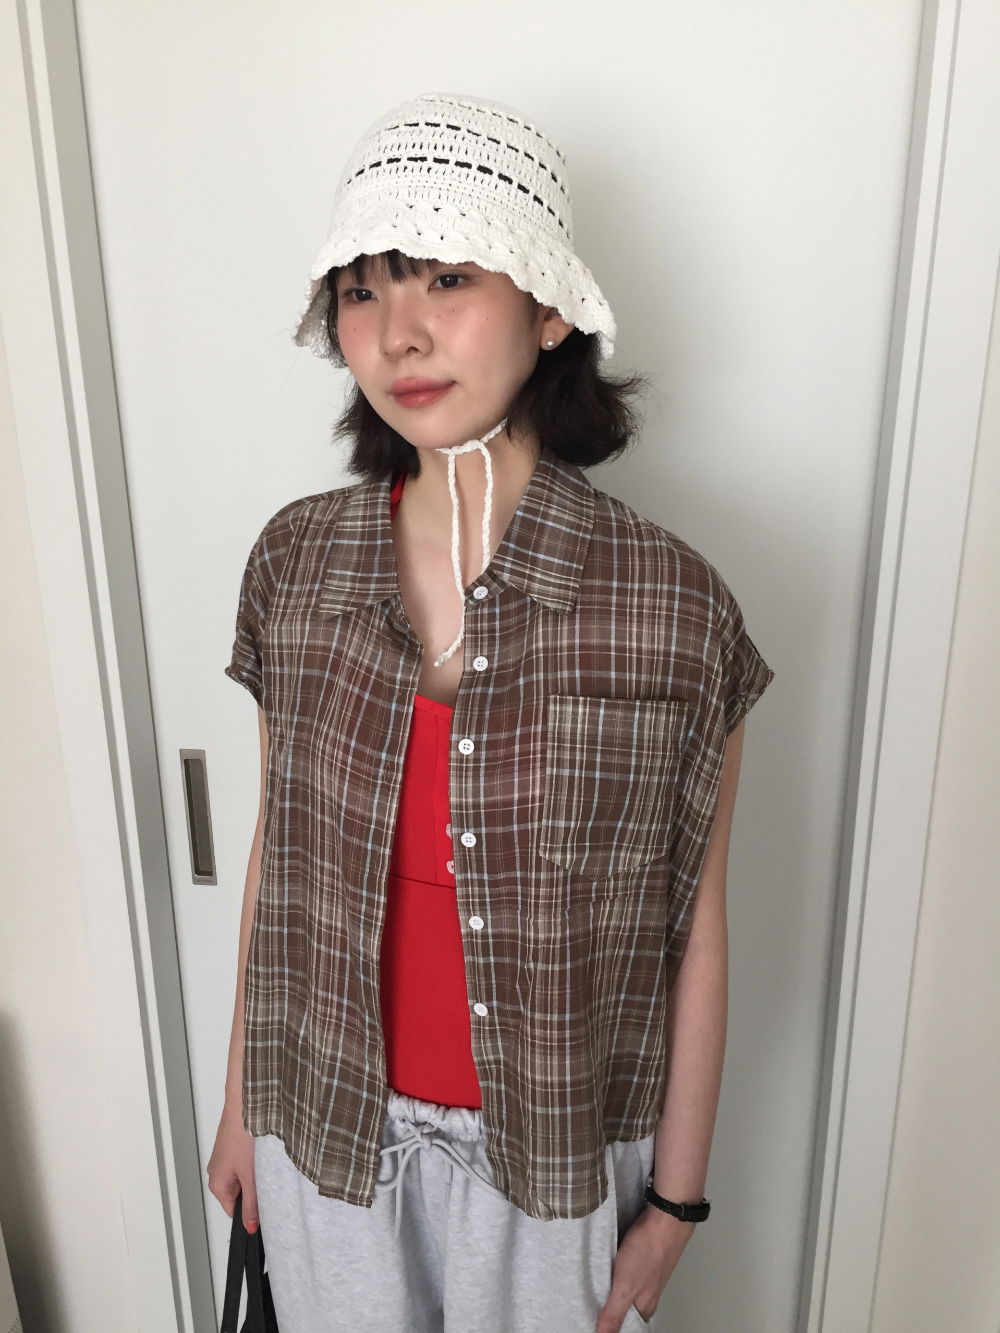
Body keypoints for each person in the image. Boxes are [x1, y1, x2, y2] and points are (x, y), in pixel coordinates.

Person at [207, 90, 775, 1333]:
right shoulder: (294, 565)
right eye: (361, 291)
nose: (398, 334)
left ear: (549, 307)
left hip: (555, 1166)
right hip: (322, 1135)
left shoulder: (671, 605)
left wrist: (675, 1201)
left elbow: (695, 926)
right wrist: (243, 1105)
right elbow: (277, 862)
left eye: (447, 278)